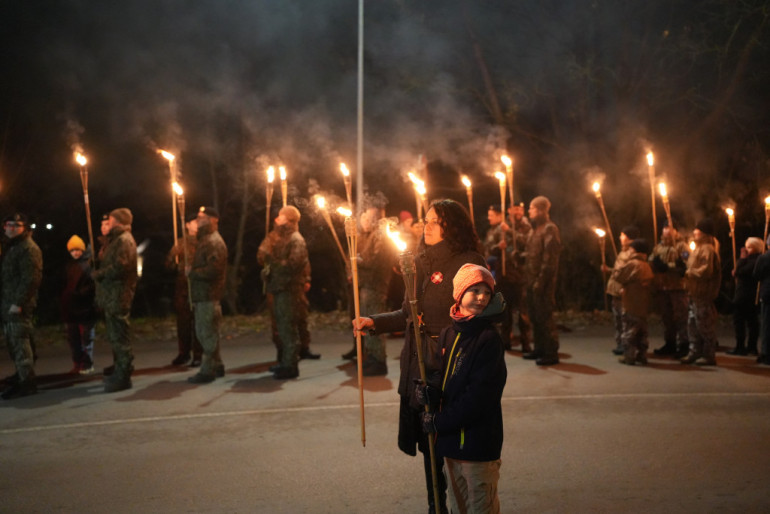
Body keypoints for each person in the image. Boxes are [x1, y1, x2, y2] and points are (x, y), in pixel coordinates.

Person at [353, 199, 486, 514]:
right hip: (419, 365)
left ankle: (460, 505)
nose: (426, 227)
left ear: (451, 227)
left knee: (450, 443)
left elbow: (480, 313)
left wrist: (444, 330)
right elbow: (406, 313)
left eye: (434, 222)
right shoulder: (418, 263)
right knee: (429, 444)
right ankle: (435, 505)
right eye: (425, 220)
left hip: (450, 366)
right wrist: (374, 322)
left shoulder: (469, 263)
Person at [416, 263, 507, 514]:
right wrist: (431, 393)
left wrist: (439, 421)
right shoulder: (449, 333)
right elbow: (443, 377)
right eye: (474, 290)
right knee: (458, 508)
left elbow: (479, 397)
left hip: (477, 446)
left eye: (486, 292)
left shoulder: (488, 339)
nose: (481, 297)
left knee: (480, 508)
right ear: (459, 293)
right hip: (450, 444)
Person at [258, 205, 311, 380]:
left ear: (288, 219)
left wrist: (273, 263)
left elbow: (294, 264)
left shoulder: (296, 239)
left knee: (289, 328)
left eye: (280, 217)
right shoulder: (280, 238)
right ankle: (286, 362)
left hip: (289, 290)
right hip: (280, 289)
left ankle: (291, 365)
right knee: (282, 327)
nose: (277, 219)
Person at [93, 208, 138, 392]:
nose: (108, 222)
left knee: (120, 337)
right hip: (111, 295)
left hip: (119, 294)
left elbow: (121, 266)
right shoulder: (115, 240)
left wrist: (100, 273)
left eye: (110, 219)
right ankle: (120, 369)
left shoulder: (124, 240)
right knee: (116, 336)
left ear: (118, 221)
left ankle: (123, 375)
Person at [1, 213, 43, 400]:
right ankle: (22, 374)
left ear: (24, 228)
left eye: (16, 225)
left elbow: (31, 279)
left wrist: (18, 303)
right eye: (9, 224)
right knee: (14, 342)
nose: (11, 228)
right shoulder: (12, 247)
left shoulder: (28, 248)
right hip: (8, 303)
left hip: (18, 305)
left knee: (20, 343)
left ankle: (27, 382)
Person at [186, 206, 228, 384]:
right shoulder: (204, 240)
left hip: (208, 295)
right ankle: (217, 365)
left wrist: (192, 273)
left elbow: (214, 270)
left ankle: (207, 370)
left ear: (212, 220)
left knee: (206, 334)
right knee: (207, 332)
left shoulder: (213, 241)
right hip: (203, 294)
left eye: (202, 217)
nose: (198, 219)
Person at [483, 204, 531, 352]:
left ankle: (526, 342)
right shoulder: (499, 228)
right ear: (509, 210)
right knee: (505, 310)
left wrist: (510, 232)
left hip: (520, 275)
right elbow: (488, 249)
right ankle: (505, 341)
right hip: (504, 275)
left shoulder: (525, 226)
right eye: (515, 208)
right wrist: (498, 247)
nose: (518, 212)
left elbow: (528, 243)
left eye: (521, 209)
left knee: (523, 311)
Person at [356, 201, 396, 376]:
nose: (368, 220)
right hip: (367, 284)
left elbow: (375, 259)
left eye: (372, 216)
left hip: (376, 284)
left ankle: (378, 360)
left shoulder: (380, 235)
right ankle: (372, 356)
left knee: (374, 320)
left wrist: (357, 259)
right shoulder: (370, 234)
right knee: (367, 319)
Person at [522, 196, 562, 366]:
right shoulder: (534, 230)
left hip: (543, 283)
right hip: (531, 280)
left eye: (531, 208)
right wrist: (519, 256)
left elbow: (549, 259)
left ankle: (551, 352)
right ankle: (539, 348)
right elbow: (532, 255)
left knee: (545, 317)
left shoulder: (549, 229)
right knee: (535, 316)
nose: (529, 211)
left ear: (539, 210)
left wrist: (541, 281)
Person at [681, 219, 722, 366]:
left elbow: (706, 271)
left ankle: (709, 355)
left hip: (703, 294)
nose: (694, 232)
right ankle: (694, 352)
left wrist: (689, 272)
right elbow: (691, 265)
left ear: (704, 233)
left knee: (704, 326)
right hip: (694, 294)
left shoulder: (708, 249)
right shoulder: (698, 249)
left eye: (697, 230)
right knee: (692, 325)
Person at [649, 220, 690, 357]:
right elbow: (651, 260)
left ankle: (684, 344)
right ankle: (670, 343)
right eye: (665, 227)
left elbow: (686, 264)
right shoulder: (658, 247)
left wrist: (669, 267)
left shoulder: (682, 246)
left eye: (670, 228)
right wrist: (653, 264)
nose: (666, 230)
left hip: (677, 287)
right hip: (663, 287)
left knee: (681, 317)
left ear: (676, 231)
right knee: (667, 317)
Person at [166, 216, 203, 367]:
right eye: (194, 221)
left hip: (198, 286)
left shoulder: (203, 241)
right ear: (187, 225)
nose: (197, 224)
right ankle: (183, 353)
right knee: (183, 323)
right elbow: (169, 264)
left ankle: (198, 354)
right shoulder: (180, 242)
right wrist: (175, 264)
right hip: (182, 288)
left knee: (198, 323)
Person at [612, 239, 654, 365]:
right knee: (641, 331)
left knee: (629, 330)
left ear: (635, 250)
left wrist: (619, 265)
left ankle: (629, 356)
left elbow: (618, 276)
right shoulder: (646, 265)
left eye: (631, 249)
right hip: (642, 303)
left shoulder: (633, 264)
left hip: (631, 302)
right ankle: (642, 355)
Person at [60, 235, 97, 375]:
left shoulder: (89, 265)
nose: (75, 253)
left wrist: (79, 293)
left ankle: (87, 364)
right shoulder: (69, 266)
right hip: (71, 308)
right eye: (72, 250)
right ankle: (77, 364)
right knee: (73, 338)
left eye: (78, 250)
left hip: (85, 308)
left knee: (86, 339)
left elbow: (92, 285)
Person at [603, 225, 639, 356]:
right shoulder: (623, 252)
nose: (620, 237)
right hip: (615, 291)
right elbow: (619, 271)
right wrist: (609, 270)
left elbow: (629, 273)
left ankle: (627, 345)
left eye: (623, 235)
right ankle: (620, 343)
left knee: (625, 320)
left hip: (623, 291)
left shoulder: (632, 253)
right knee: (618, 320)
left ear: (629, 238)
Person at [728, 237, 762, 356]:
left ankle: (742, 346)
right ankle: (750, 346)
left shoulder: (754, 260)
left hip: (745, 295)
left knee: (740, 321)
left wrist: (741, 260)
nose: (746, 250)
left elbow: (740, 272)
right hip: (747, 294)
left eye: (749, 247)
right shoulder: (753, 260)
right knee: (751, 321)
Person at [753, 236, 770, 365]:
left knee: (766, 324)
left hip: (767, 293)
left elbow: (756, 275)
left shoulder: (764, 258)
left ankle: (766, 353)